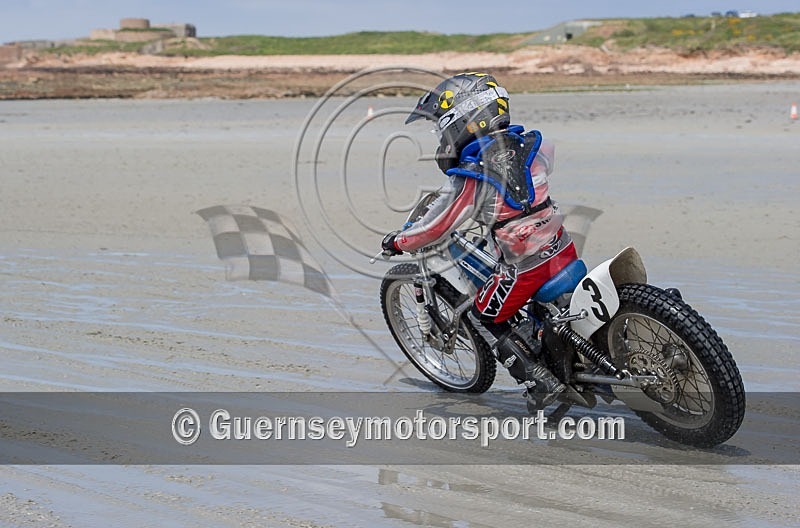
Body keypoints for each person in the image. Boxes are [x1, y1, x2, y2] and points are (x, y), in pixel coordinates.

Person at [381, 72, 579, 408]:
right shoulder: (533, 146)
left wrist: (400, 242)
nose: (441, 136)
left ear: (463, 121)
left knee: (485, 314)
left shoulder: (474, 171)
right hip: (561, 246)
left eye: (442, 127)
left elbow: (438, 226)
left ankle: (538, 380)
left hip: (524, 266)